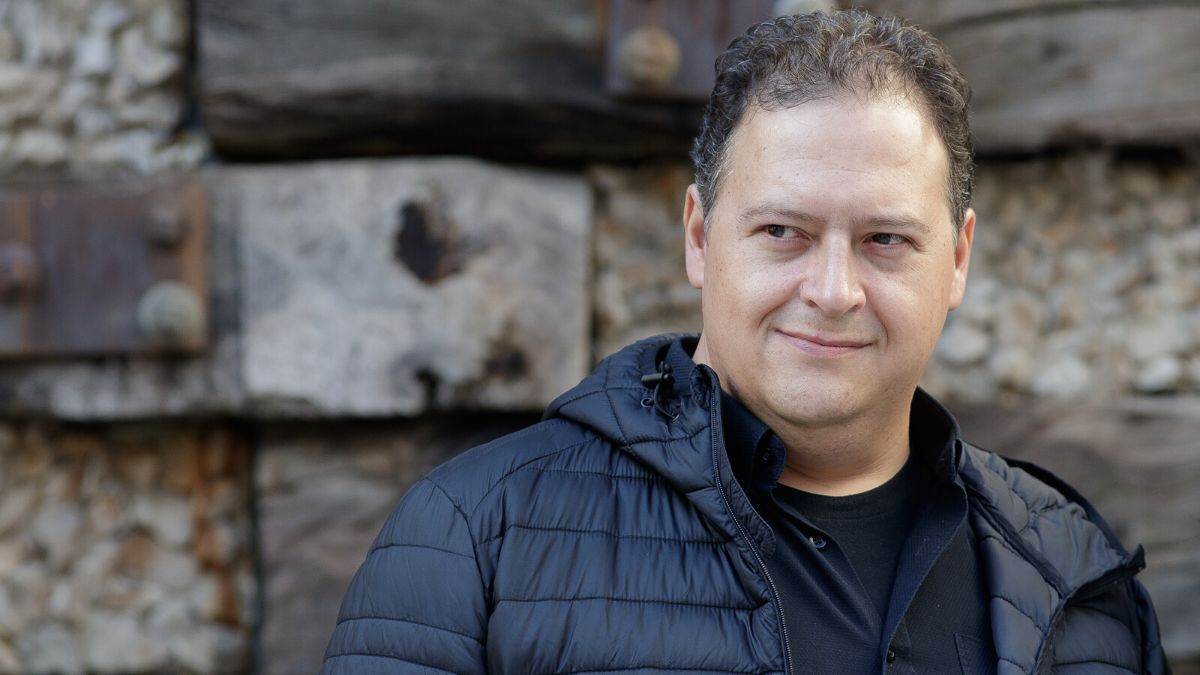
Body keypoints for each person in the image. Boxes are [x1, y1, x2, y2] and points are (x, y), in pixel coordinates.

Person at [321, 10, 1167, 674]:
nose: (832, 292)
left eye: (885, 240)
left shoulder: (1072, 575)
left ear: (957, 260)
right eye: (782, 232)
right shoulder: (472, 538)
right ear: (698, 236)